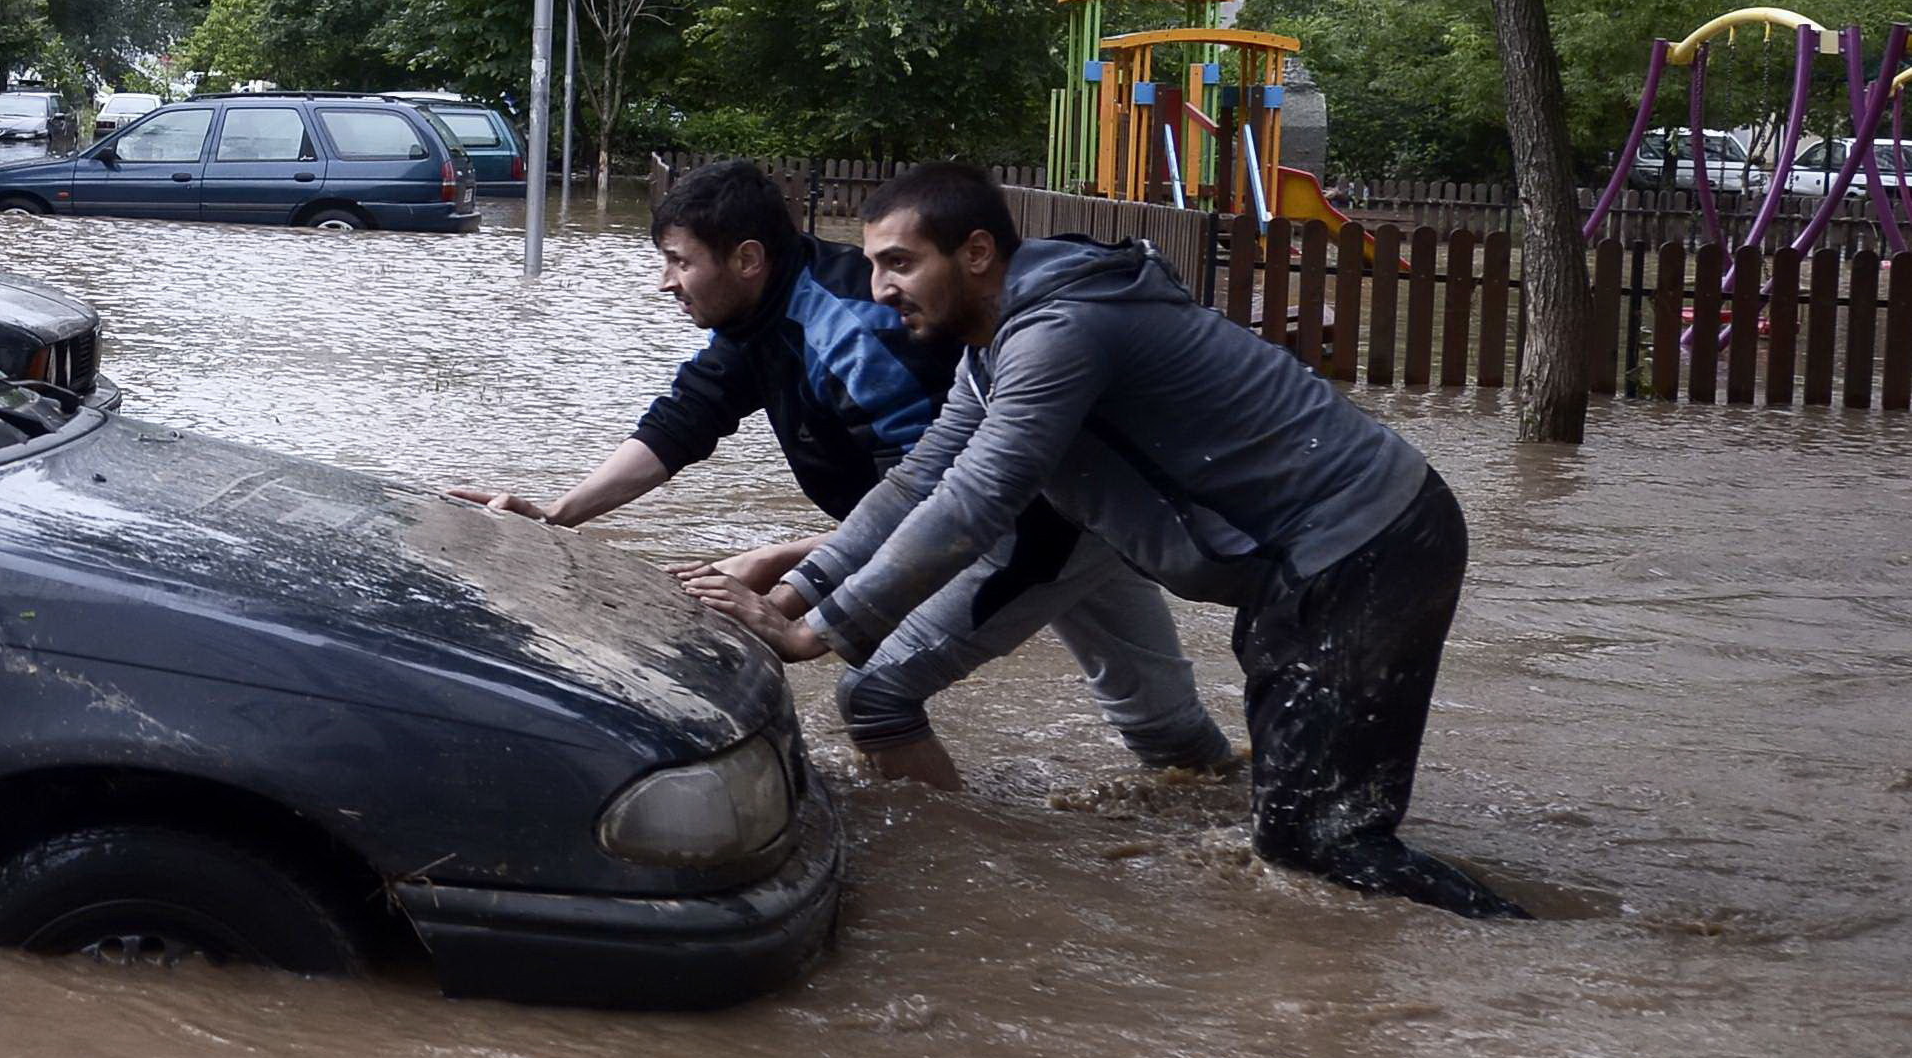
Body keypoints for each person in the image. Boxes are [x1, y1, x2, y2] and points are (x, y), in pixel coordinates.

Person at [692, 162, 1522, 919]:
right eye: (873, 265)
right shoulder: (995, 353)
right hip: (1315, 564)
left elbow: (981, 500)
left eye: (899, 264)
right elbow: (918, 483)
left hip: (1366, 548)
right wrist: (794, 594)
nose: (878, 290)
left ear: (976, 252)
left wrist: (816, 634)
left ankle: (1527, 951)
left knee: (1321, 846)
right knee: (1292, 830)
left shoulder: (1061, 332)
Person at [456, 159, 1236, 788]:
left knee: (877, 699)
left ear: (747, 259)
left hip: (1033, 525)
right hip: (1069, 513)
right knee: (1163, 727)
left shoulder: (851, 329)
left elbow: (938, 493)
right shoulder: (762, 318)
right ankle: (1219, 829)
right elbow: (681, 423)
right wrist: (558, 513)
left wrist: (789, 568)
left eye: (678, 262)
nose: (667, 282)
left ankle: (954, 876)